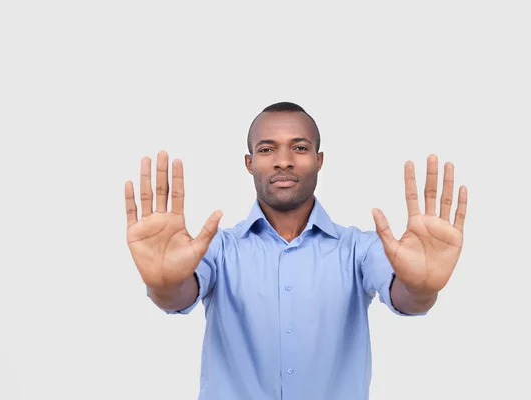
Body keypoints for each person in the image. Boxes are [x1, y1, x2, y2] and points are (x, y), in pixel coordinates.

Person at [124, 102, 468, 400]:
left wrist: (423, 288)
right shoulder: (218, 248)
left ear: (319, 160)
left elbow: (407, 297)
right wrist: (163, 284)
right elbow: (178, 294)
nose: (283, 161)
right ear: (249, 162)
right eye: (267, 149)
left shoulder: (358, 249)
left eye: (299, 148)